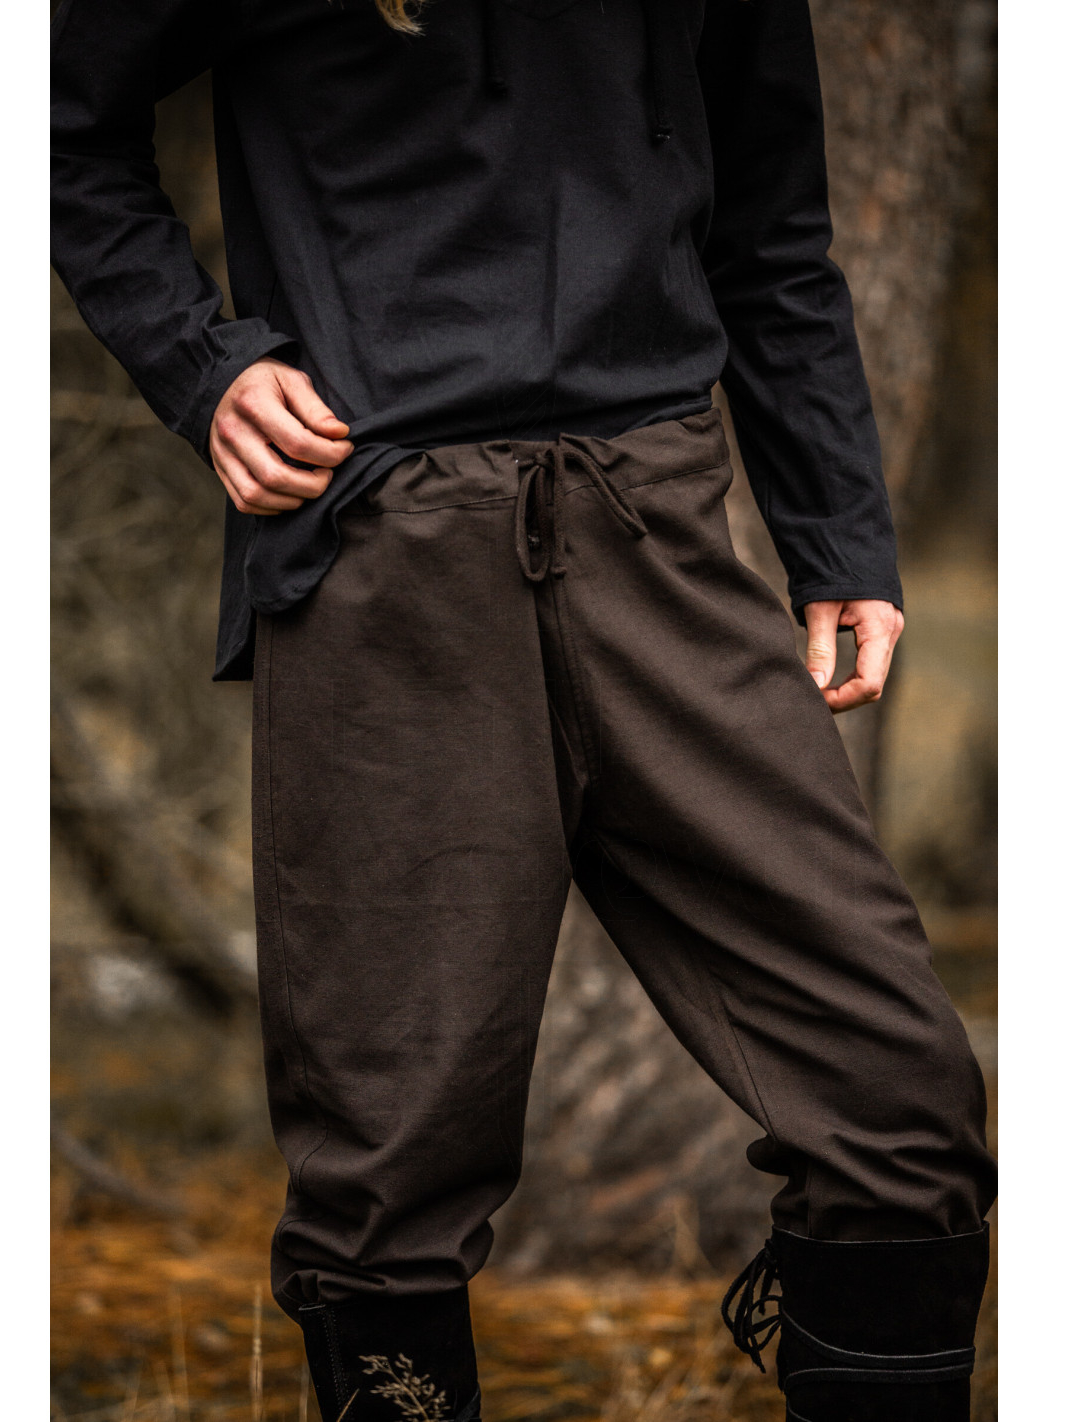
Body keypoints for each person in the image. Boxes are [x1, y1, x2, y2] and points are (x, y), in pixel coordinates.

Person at [51, 1, 997, 1418]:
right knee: (384, 1184)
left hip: (660, 535)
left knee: (899, 1105)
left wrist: (837, 534)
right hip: (386, 553)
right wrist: (205, 365)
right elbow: (52, 115)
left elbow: (773, 227)